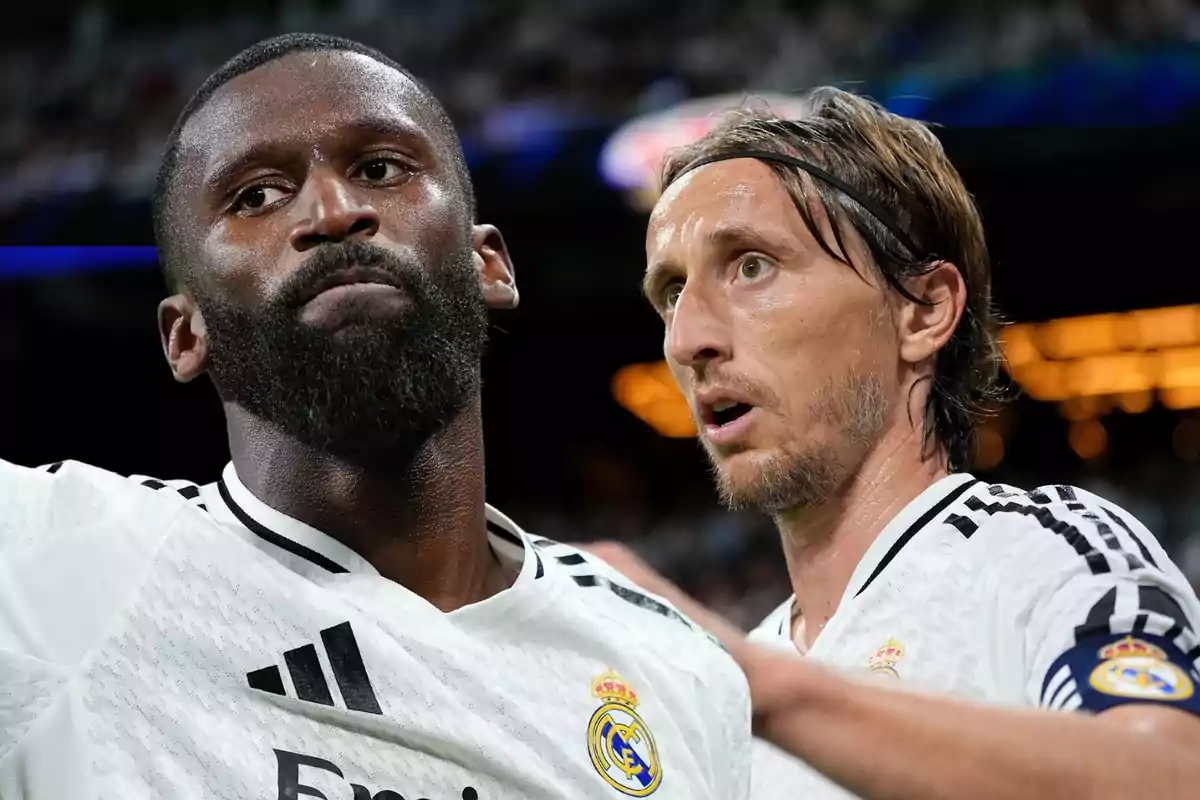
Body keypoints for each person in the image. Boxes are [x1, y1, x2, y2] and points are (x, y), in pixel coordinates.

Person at [0, 33, 751, 800]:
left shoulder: (674, 670)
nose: (333, 211)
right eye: (255, 195)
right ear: (185, 334)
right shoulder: (59, 571)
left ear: (487, 264)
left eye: (380, 169)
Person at [589, 87, 1200, 799]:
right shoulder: (735, 682)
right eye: (670, 293)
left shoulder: (1042, 557)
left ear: (923, 310)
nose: (689, 338)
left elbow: (1173, 777)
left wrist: (772, 692)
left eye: (751, 265)